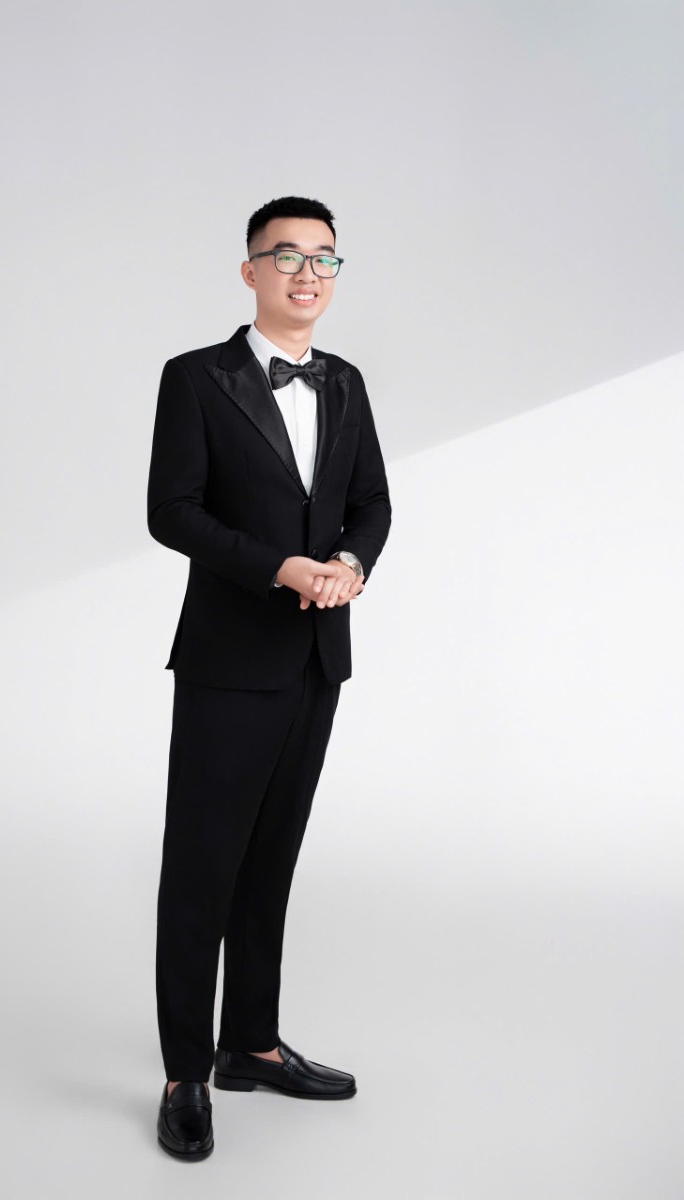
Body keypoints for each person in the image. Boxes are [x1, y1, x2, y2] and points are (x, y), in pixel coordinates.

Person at [147, 195, 392, 1160]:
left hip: (316, 660)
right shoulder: (194, 378)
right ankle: (184, 1073)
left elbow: (372, 502)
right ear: (250, 271)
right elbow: (172, 511)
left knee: (270, 865)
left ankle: (250, 1044)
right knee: (200, 873)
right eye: (286, 255)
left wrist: (352, 565)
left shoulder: (346, 382)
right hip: (227, 661)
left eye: (324, 258)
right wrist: (279, 567)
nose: (307, 272)